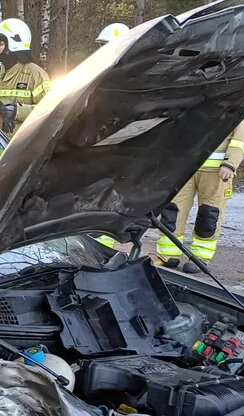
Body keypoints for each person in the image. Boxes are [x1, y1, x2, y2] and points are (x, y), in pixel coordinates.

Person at [155, 108, 244, 273]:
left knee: (209, 214)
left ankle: (199, 258)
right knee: (172, 212)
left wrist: (230, 163)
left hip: (216, 171)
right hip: (184, 166)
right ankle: (167, 255)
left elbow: (242, 137)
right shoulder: (202, 94)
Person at [0, 19, 50, 138]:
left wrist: (17, 112)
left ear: (14, 42)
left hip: (22, 150)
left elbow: (49, 111)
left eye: (0, 44)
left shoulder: (36, 75)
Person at [91, 23, 130, 249]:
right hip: (95, 146)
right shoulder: (96, 73)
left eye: (104, 46)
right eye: (99, 46)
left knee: (110, 194)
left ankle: (104, 241)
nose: (100, 50)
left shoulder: (130, 79)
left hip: (115, 149)